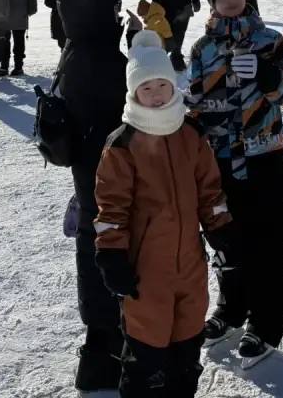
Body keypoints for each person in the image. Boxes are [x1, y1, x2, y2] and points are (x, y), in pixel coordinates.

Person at [93, 31, 233, 398]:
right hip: (144, 270)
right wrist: (111, 253)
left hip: (190, 264)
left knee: (187, 343)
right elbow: (112, 207)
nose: (155, 94)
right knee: (146, 349)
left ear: (174, 86)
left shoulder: (190, 133)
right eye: (146, 88)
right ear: (133, 93)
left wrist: (220, 227)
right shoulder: (122, 144)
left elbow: (209, 188)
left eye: (161, 85)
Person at [187, 0, 283, 368]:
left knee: (268, 246)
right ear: (213, 1)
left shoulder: (270, 40)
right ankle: (232, 310)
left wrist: (269, 76)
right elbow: (196, 101)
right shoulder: (202, 49)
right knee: (228, 243)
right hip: (220, 160)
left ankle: (266, 324)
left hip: (265, 158)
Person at [55, 0, 129, 390]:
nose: (117, 13)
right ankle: (109, 351)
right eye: (112, 6)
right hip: (109, 176)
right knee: (109, 249)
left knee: (94, 245)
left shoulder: (78, 47)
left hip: (89, 174)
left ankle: (100, 351)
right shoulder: (101, 58)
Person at [3, 0, 38, 76]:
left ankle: (4, 66)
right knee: (18, 39)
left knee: (6, 39)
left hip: (5, 10)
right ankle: (18, 66)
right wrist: (32, 8)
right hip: (19, 8)